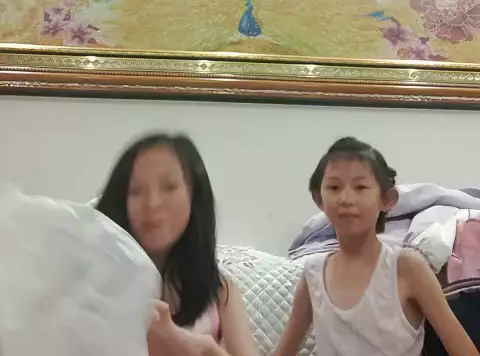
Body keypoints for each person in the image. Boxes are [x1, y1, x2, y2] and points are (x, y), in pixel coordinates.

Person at [273, 137, 477, 356]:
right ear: (319, 199)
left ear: (387, 200)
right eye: (334, 187)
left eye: (360, 187)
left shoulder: (406, 267)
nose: (346, 199)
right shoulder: (313, 273)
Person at [96, 133, 258, 356]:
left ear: (194, 195)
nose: (152, 203)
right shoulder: (96, 286)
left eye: (170, 186)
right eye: (135, 191)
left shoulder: (221, 292)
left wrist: (200, 349)